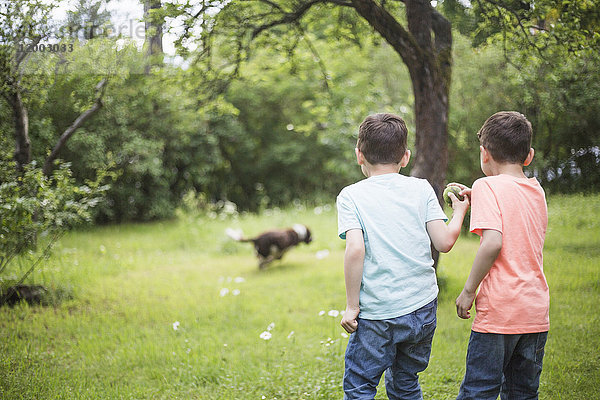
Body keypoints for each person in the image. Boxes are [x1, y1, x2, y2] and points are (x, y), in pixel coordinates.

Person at [336, 113, 470, 399]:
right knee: (405, 382)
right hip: (421, 307)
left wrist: (351, 305)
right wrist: (459, 212)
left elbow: (355, 249)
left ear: (359, 155)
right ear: (406, 157)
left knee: (360, 385)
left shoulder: (350, 196)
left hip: (377, 314)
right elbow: (444, 242)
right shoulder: (421, 188)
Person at [453, 111, 549, 400]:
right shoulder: (537, 190)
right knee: (522, 392)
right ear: (529, 156)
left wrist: (469, 291)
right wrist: (480, 197)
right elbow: (514, 207)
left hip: (500, 311)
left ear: (485, 154)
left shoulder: (486, 186)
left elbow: (493, 242)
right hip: (535, 310)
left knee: (479, 391)